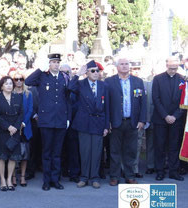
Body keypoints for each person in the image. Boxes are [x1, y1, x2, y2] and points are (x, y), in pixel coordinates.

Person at [25, 53, 71, 191]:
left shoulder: (65, 77)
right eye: (53, 62)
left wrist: (68, 118)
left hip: (60, 120)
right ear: (49, 64)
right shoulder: (42, 76)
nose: (56, 64)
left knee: (57, 153)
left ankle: (55, 180)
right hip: (46, 120)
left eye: (58, 62)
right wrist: (40, 68)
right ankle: (46, 181)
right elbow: (28, 81)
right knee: (47, 152)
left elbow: (67, 99)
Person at [104, 58, 146, 186]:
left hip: (132, 122)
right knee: (115, 151)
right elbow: (106, 104)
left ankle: (130, 176)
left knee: (131, 151)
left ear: (130, 66)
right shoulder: (109, 82)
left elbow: (143, 102)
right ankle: (114, 176)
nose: (124, 66)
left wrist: (142, 120)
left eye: (126, 64)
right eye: (121, 64)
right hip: (116, 122)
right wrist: (108, 122)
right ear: (117, 67)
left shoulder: (138, 81)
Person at [68, 61, 110, 189]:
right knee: (85, 152)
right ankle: (84, 177)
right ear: (86, 73)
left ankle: (95, 177)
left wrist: (106, 126)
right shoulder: (81, 84)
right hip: (84, 122)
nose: (96, 73)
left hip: (98, 122)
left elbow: (107, 107)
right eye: (92, 71)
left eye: (97, 71)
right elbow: (69, 87)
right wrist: (77, 75)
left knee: (97, 152)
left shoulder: (104, 85)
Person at [152, 56, 185, 181]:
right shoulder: (158, 79)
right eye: (171, 68)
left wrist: (175, 116)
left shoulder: (182, 80)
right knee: (160, 146)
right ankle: (160, 171)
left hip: (176, 119)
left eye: (175, 68)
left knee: (174, 146)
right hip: (161, 118)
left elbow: (184, 100)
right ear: (167, 66)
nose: (173, 71)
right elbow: (156, 99)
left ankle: (174, 171)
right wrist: (165, 115)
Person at [0, 76, 24, 191]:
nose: (9, 85)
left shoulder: (18, 97)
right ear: (1, 86)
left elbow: (21, 114)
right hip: (1, 131)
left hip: (14, 130)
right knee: (1, 156)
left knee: (12, 157)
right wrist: (8, 126)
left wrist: (15, 127)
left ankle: (9, 179)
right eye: (6, 84)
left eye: (11, 83)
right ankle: (2, 180)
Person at [12, 72, 33, 187]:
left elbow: (30, 110)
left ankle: (23, 177)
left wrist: (23, 123)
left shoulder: (28, 94)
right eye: (16, 79)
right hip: (14, 127)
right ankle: (14, 176)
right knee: (14, 153)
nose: (19, 81)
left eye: (21, 79)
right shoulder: (10, 93)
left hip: (26, 127)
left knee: (25, 154)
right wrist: (16, 124)